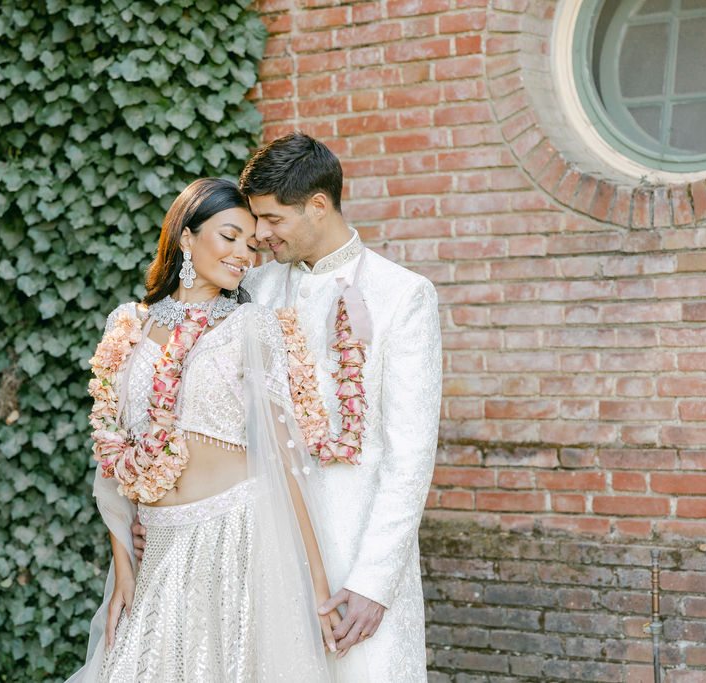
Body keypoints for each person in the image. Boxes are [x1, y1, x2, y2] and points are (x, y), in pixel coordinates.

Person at [67, 178, 335, 682]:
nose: (243, 255)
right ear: (186, 237)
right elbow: (113, 451)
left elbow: (285, 459)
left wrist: (316, 586)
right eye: (229, 237)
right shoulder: (128, 326)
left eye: (252, 245)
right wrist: (123, 564)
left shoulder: (252, 326)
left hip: (238, 534)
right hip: (160, 546)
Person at [240, 132, 442, 682]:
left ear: (319, 205)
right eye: (256, 220)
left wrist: (375, 581)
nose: (260, 235)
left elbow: (410, 454)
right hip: (266, 549)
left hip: (357, 551)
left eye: (272, 219)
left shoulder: (402, 295)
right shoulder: (251, 289)